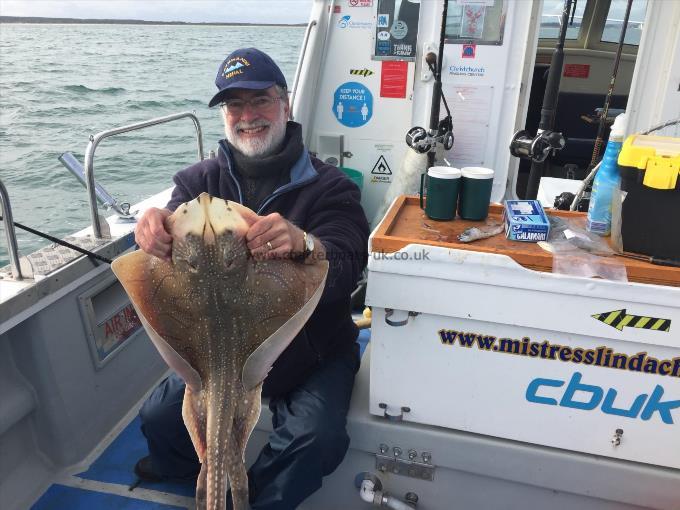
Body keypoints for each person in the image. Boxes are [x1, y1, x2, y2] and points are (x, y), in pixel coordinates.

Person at [133, 47, 369, 509]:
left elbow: (349, 259)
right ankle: (185, 474)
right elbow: (162, 237)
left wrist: (304, 242)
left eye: (259, 101)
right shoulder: (197, 183)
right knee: (158, 419)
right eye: (234, 106)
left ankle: (258, 495)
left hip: (309, 354)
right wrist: (153, 225)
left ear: (285, 105)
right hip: (216, 352)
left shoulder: (331, 187)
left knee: (315, 439)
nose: (247, 116)